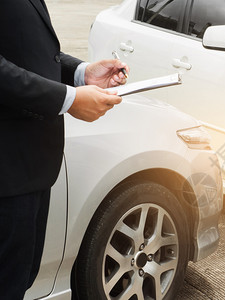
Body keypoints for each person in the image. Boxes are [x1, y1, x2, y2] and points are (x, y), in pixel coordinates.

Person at [0, 0, 129, 298]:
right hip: (7, 175)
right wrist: (68, 99)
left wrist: (81, 73)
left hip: (29, 170)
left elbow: (26, 50)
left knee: (18, 282)